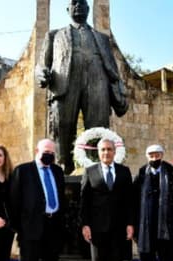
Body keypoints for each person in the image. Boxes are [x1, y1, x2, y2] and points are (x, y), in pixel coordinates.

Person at [36, 0, 128, 174]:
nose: (78, 6)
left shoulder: (102, 38)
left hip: (97, 84)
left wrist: (119, 91)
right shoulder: (54, 35)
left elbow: (112, 68)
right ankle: (62, 169)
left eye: (82, 3)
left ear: (88, 8)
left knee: (98, 130)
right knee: (62, 129)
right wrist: (41, 74)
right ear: (68, 9)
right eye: (74, 3)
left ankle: (97, 170)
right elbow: (41, 64)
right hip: (64, 85)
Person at [9, 139, 66, 261]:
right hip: (31, 229)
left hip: (53, 227)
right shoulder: (23, 171)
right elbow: (14, 201)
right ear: (36, 151)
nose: (49, 155)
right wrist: (19, 228)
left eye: (52, 153)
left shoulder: (57, 171)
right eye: (45, 152)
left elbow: (62, 197)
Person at [80, 138, 134, 261]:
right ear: (98, 152)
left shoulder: (124, 171)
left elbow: (129, 200)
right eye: (103, 149)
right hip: (97, 228)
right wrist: (85, 224)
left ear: (114, 151)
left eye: (109, 149)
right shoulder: (90, 171)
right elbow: (84, 201)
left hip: (118, 228)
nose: (106, 152)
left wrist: (130, 223)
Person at [132, 145, 173, 261]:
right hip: (145, 229)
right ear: (147, 157)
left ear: (162, 155)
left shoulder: (172, 173)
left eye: (157, 155)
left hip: (166, 229)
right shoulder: (140, 174)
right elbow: (133, 203)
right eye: (151, 155)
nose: (154, 158)